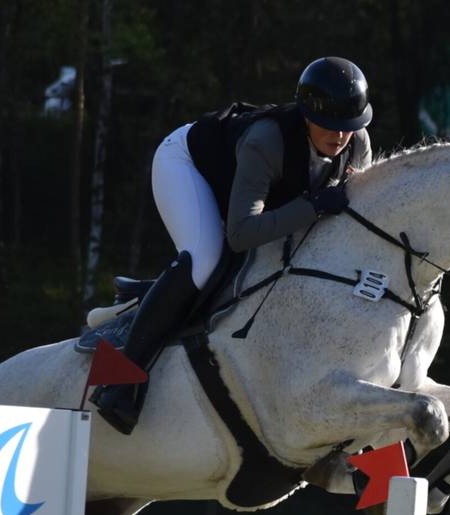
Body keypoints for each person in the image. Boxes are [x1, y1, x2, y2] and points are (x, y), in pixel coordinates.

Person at [90, 56, 373, 434]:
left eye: (348, 127)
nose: (340, 137)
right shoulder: (267, 141)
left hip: (245, 188)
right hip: (187, 165)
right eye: (330, 125)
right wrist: (313, 206)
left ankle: (147, 295)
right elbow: (241, 233)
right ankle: (122, 382)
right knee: (206, 259)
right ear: (306, 115)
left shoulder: (357, 147)